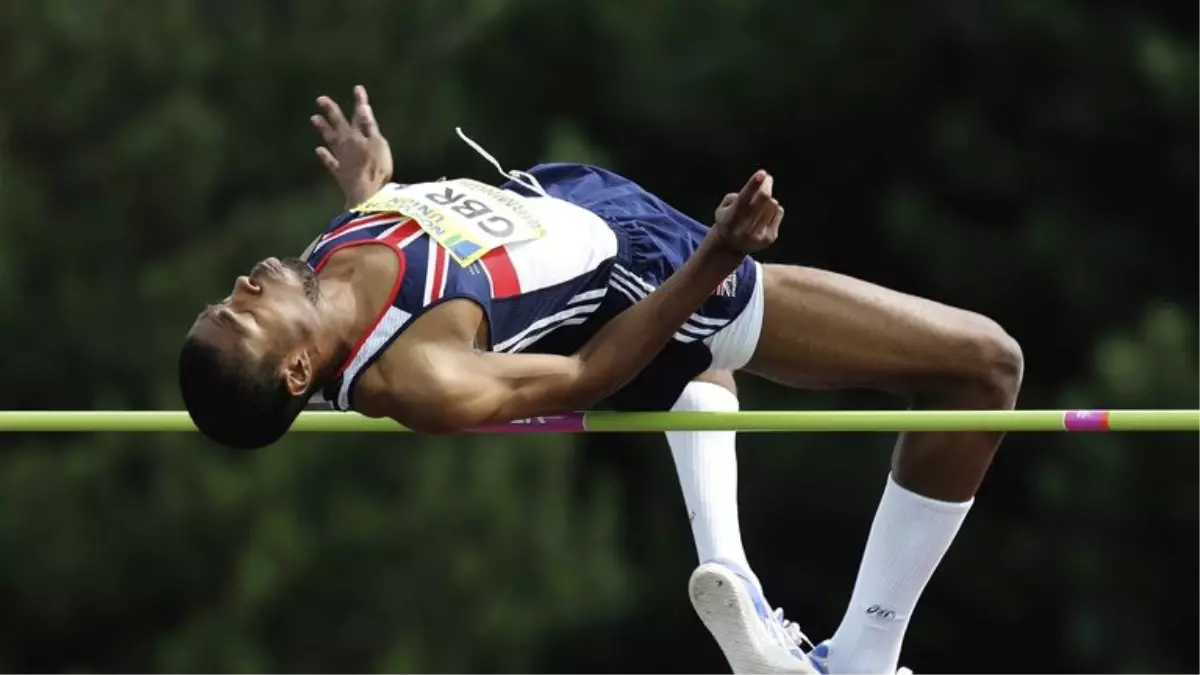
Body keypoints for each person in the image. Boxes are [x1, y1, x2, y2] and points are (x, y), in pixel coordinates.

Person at [178, 87, 1022, 675]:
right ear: (296, 369)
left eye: (226, 297)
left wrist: (373, 188)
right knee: (984, 364)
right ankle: (863, 652)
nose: (244, 287)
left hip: (571, 195)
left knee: (700, 373)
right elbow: (590, 370)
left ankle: (736, 571)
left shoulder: (322, 267)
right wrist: (713, 259)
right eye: (243, 312)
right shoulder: (418, 376)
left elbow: (422, 259)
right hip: (640, 270)